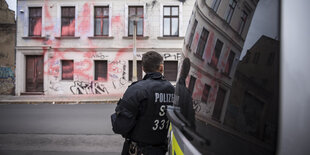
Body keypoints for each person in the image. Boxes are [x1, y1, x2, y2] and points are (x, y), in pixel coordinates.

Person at [111, 51, 175, 155]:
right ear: (161, 68)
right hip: (160, 150)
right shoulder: (172, 90)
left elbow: (120, 127)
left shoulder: (136, 89)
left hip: (138, 151)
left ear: (143, 68)